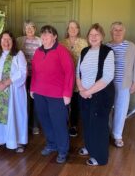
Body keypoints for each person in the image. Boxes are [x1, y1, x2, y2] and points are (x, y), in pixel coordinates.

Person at [30, 25, 75, 164]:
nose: (44, 37)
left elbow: (70, 72)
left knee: (59, 123)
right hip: (39, 93)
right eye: (42, 34)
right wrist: (32, 88)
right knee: (45, 121)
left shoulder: (62, 51)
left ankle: (62, 150)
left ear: (55, 36)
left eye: (48, 34)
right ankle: (51, 144)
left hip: (57, 95)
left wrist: (67, 93)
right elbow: (34, 72)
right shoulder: (38, 51)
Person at [0, 30, 28, 153]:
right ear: (0, 41)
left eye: (8, 39)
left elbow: (23, 72)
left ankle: (17, 141)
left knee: (15, 115)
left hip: (14, 92)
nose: (6, 42)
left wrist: (6, 83)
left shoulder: (18, 55)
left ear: (13, 41)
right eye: (3, 39)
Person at [76, 23, 115, 166]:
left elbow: (107, 77)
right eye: (91, 34)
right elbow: (77, 72)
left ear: (102, 37)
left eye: (96, 35)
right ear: (87, 37)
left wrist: (88, 91)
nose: (93, 37)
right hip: (84, 95)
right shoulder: (84, 51)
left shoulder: (108, 52)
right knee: (87, 122)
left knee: (99, 125)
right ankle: (89, 146)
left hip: (101, 96)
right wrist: (81, 89)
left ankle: (99, 157)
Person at [106, 21, 135, 148]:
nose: (118, 32)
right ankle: (107, 132)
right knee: (107, 108)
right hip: (106, 84)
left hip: (124, 83)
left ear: (124, 32)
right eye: (115, 30)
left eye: (120, 30)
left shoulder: (131, 46)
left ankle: (117, 135)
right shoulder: (106, 46)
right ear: (111, 32)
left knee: (121, 109)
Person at [60, 20, 88, 137]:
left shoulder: (84, 42)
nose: (73, 29)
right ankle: (63, 124)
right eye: (70, 27)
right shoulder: (61, 43)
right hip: (64, 78)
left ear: (78, 29)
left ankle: (74, 125)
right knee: (64, 104)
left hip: (78, 77)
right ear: (67, 29)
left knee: (76, 104)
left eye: (75, 27)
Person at [17, 20, 42, 135]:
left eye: (31, 27)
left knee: (35, 100)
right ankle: (23, 125)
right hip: (23, 76)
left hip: (37, 76)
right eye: (27, 28)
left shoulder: (40, 41)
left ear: (35, 29)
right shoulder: (19, 40)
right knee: (23, 100)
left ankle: (35, 125)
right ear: (24, 30)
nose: (29, 30)